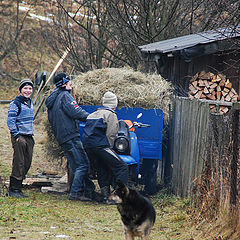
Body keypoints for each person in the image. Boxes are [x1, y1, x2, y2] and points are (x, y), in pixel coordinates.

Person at [45, 72, 98, 202]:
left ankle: (90, 190)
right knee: (83, 165)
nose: (71, 84)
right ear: (63, 84)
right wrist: (92, 117)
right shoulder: (65, 96)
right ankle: (75, 193)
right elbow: (76, 111)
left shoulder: (54, 98)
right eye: (69, 82)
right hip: (70, 136)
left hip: (62, 137)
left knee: (76, 166)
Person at [82, 91, 129, 202]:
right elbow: (111, 134)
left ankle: (105, 195)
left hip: (88, 147)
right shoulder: (111, 114)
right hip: (100, 146)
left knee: (102, 168)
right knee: (122, 167)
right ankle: (118, 197)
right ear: (114, 104)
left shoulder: (92, 114)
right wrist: (110, 149)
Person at [7, 79, 35, 198]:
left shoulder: (30, 102)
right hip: (19, 137)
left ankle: (19, 184)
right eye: (25, 88)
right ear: (20, 90)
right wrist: (17, 135)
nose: (28, 91)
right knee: (19, 162)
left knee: (27, 162)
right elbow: (10, 120)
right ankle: (14, 189)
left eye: (30, 88)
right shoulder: (16, 103)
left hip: (29, 136)